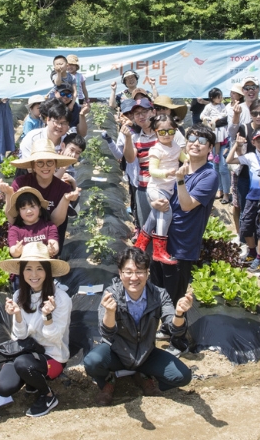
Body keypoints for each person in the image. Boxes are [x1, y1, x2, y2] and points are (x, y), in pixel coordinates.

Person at [83, 247, 194, 405]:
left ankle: (142, 374)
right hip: (117, 352)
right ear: (120, 273)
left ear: (148, 273)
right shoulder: (111, 294)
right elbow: (106, 332)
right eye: (128, 272)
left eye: (140, 271)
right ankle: (109, 379)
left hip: (146, 353)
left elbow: (174, 328)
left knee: (182, 376)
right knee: (92, 362)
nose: (134, 277)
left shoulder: (159, 294)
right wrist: (110, 311)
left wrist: (179, 314)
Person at [150, 124, 220, 351]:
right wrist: (156, 202)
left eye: (202, 141)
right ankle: (166, 327)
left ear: (210, 148)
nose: (195, 143)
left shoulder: (209, 175)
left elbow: (187, 204)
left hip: (182, 243)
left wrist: (180, 180)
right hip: (162, 240)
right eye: (192, 138)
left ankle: (179, 342)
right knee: (159, 287)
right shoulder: (180, 166)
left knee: (176, 295)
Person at [0, 242, 71, 417]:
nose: (34, 275)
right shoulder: (19, 296)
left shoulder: (61, 299)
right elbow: (19, 336)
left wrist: (47, 316)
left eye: (40, 269)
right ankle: (31, 381)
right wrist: (17, 315)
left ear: (48, 271)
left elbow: (54, 339)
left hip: (53, 356)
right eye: (28, 269)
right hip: (28, 351)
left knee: (23, 364)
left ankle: (48, 395)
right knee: (4, 387)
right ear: (22, 272)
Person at [1, 138, 80, 250]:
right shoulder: (21, 183)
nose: (45, 167)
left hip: (50, 240)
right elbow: (12, 218)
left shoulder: (63, 188)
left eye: (49, 162)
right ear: (33, 165)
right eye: (40, 162)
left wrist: (65, 199)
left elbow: (55, 222)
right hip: (23, 242)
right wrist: (9, 194)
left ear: (55, 164)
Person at [136, 113, 185, 264]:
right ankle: (159, 250)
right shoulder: (156, 150)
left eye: (170, 131)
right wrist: (166, 173)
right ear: (156, 132)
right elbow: (152, 171)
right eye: (162, 132)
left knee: (155, 214)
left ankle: (141, 243)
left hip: (169, 188)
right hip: (157, 188)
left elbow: (184, 158)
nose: (166, 135)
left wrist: (195, 161)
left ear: (175, 130)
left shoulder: (175, 146)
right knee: (165, 211)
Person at [226, 127, 260, 269]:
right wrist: (237, 144)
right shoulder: (250, 156)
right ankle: (252, 252)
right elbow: (229, 160)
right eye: (258, 141)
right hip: (252, 196)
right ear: (253, 143)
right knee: (246, 225)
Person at [7, 187, 59, 260]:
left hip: (45, 265)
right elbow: (13, 251)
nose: (28, 211)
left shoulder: (49, 226)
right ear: (19, 211)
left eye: (32, 206)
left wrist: (52, 250)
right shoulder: (15, 230)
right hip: (25, 267)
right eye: (23, 208)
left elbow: (54, 245)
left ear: (39, 206)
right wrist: (17, 251)